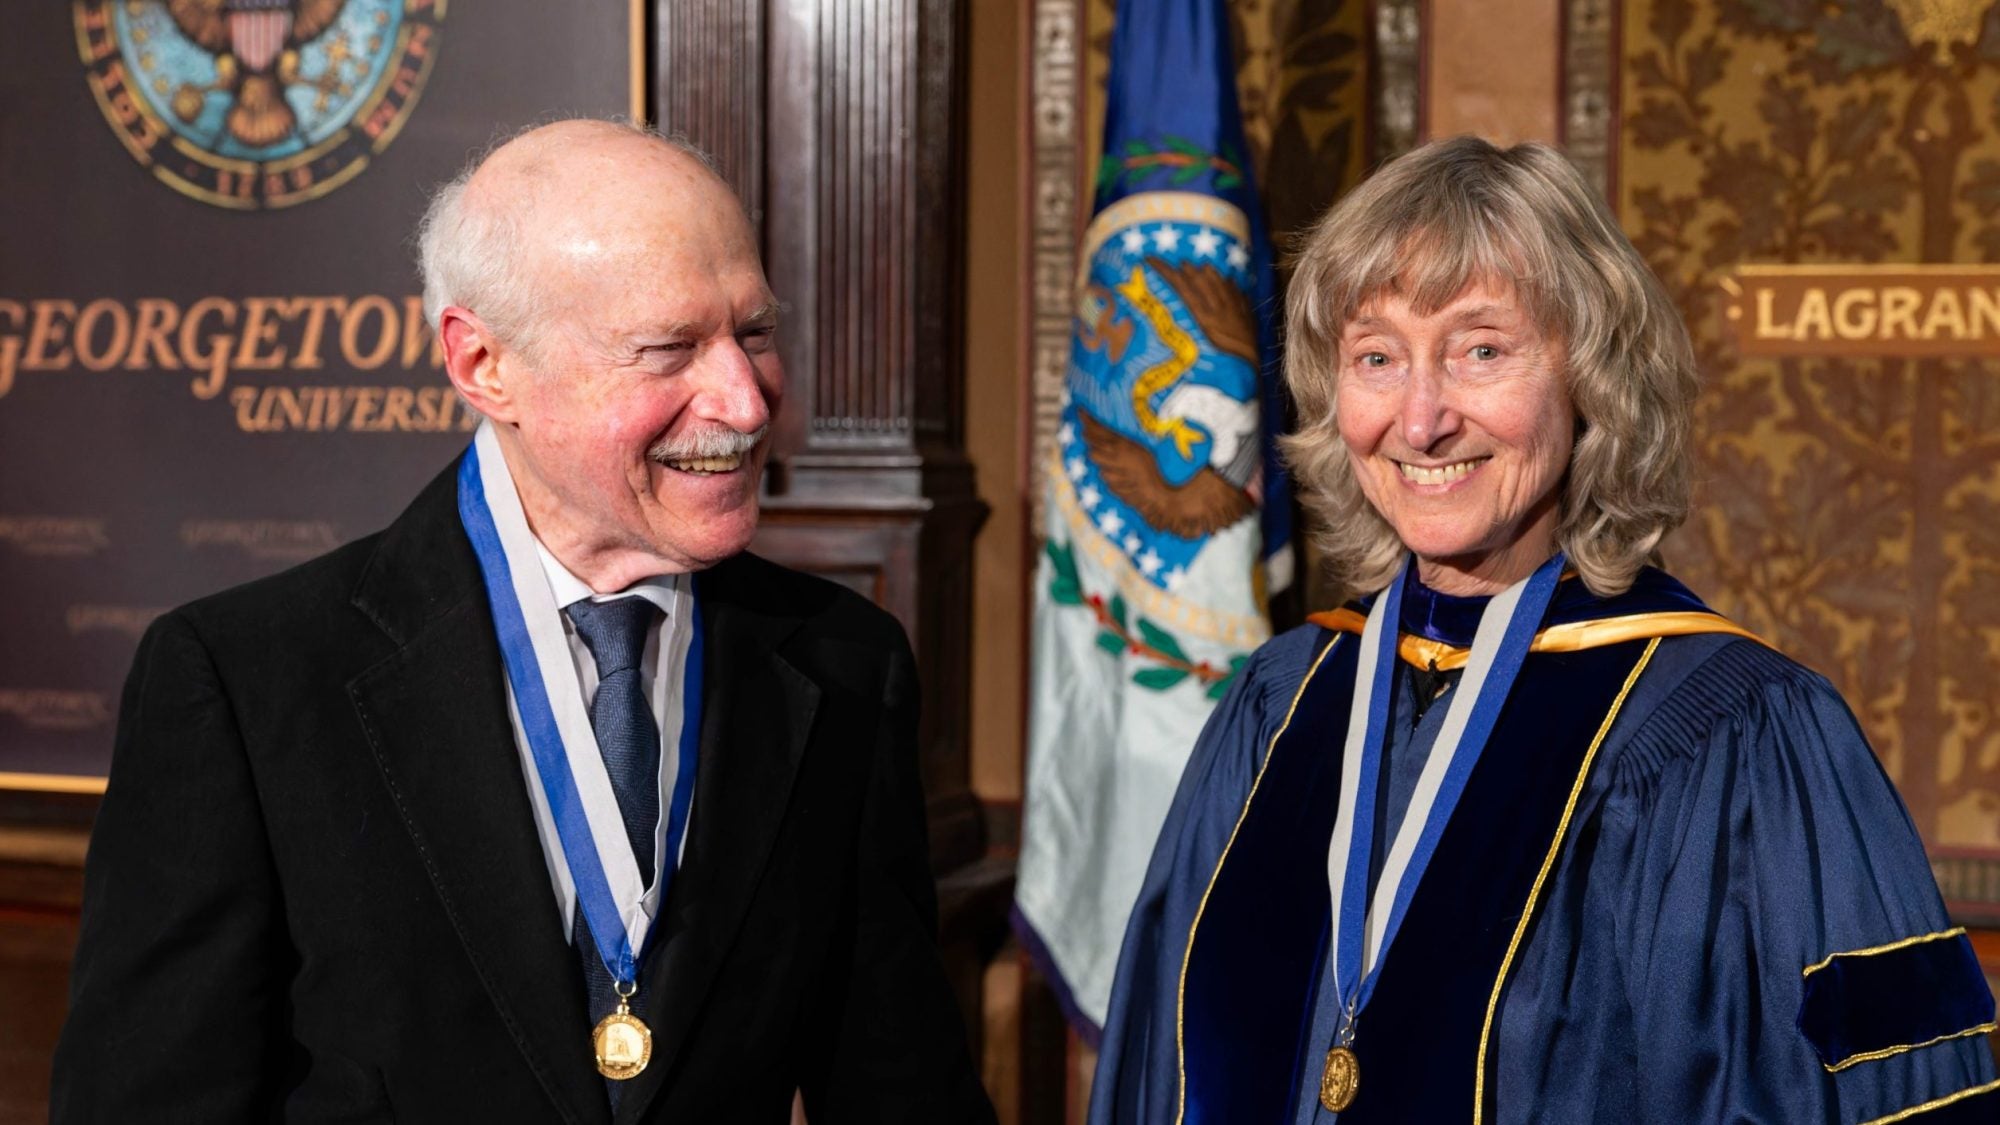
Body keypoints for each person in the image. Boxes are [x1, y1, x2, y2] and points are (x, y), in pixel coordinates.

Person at [53, 120, 996, 1125]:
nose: (743, 398)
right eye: (668, 347)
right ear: (483, 363)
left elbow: (902, 1087)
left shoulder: (844, 665)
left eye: (754, 332)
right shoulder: (245, 683)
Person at [1088, 136, 1999, 1124]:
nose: (1421, 418)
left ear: (1591, 381)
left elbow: (1900, 1096)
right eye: (1376, 357)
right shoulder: (1281, 702)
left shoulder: (1734, 736)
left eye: (1480, 349)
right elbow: (1148, 1076)